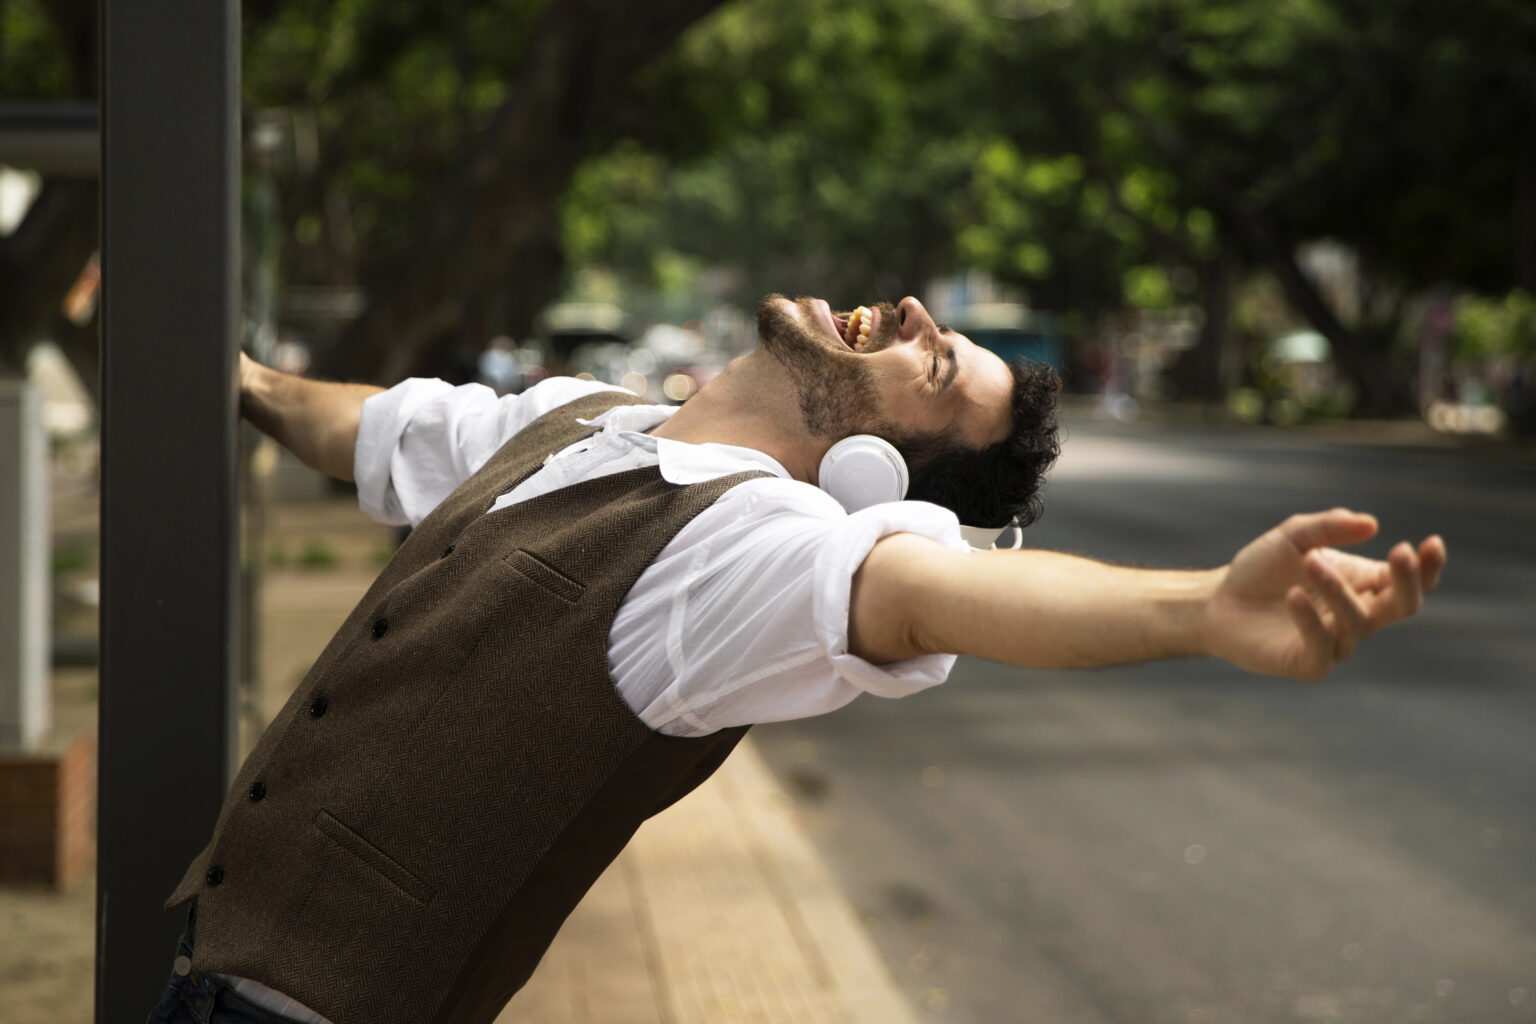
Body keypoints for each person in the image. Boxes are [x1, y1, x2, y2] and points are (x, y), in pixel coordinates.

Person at [147, 294, 1446, 1024]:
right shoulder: (583, 421)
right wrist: (219, 366)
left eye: (938, 362)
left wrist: (1200, 608)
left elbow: (930, 595)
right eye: (939, 327)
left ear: (878, 470)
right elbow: (357, 428)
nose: (918, 312)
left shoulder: (746, 558)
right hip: (200, 958)